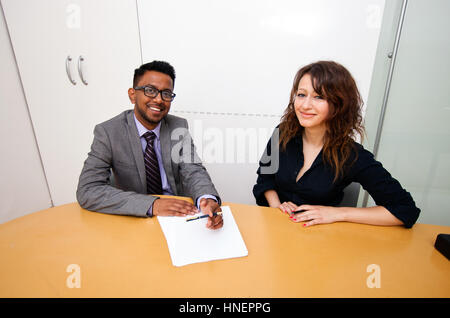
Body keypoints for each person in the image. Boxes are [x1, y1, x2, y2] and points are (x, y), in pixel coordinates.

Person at [253, 61, 420, 228]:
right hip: (276, 229)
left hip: (319, 239)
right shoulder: (282, 132)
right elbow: (265, 177)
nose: (304, 105)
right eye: (301, 94)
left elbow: (405, 209)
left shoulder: (352, 155)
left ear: (339, 104)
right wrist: (277, 206)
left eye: (319, 97)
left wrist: (337, 213)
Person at [77, 61, 223, 230]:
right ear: (132, 95)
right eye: (150, 91)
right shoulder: (109, 132)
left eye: (166, 94)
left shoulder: (178, 126)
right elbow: (87, 190)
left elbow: (194, 170)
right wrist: (153, 204)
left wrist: (207, 199)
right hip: (132, 217)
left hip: (177, 217)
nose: (159, 99)